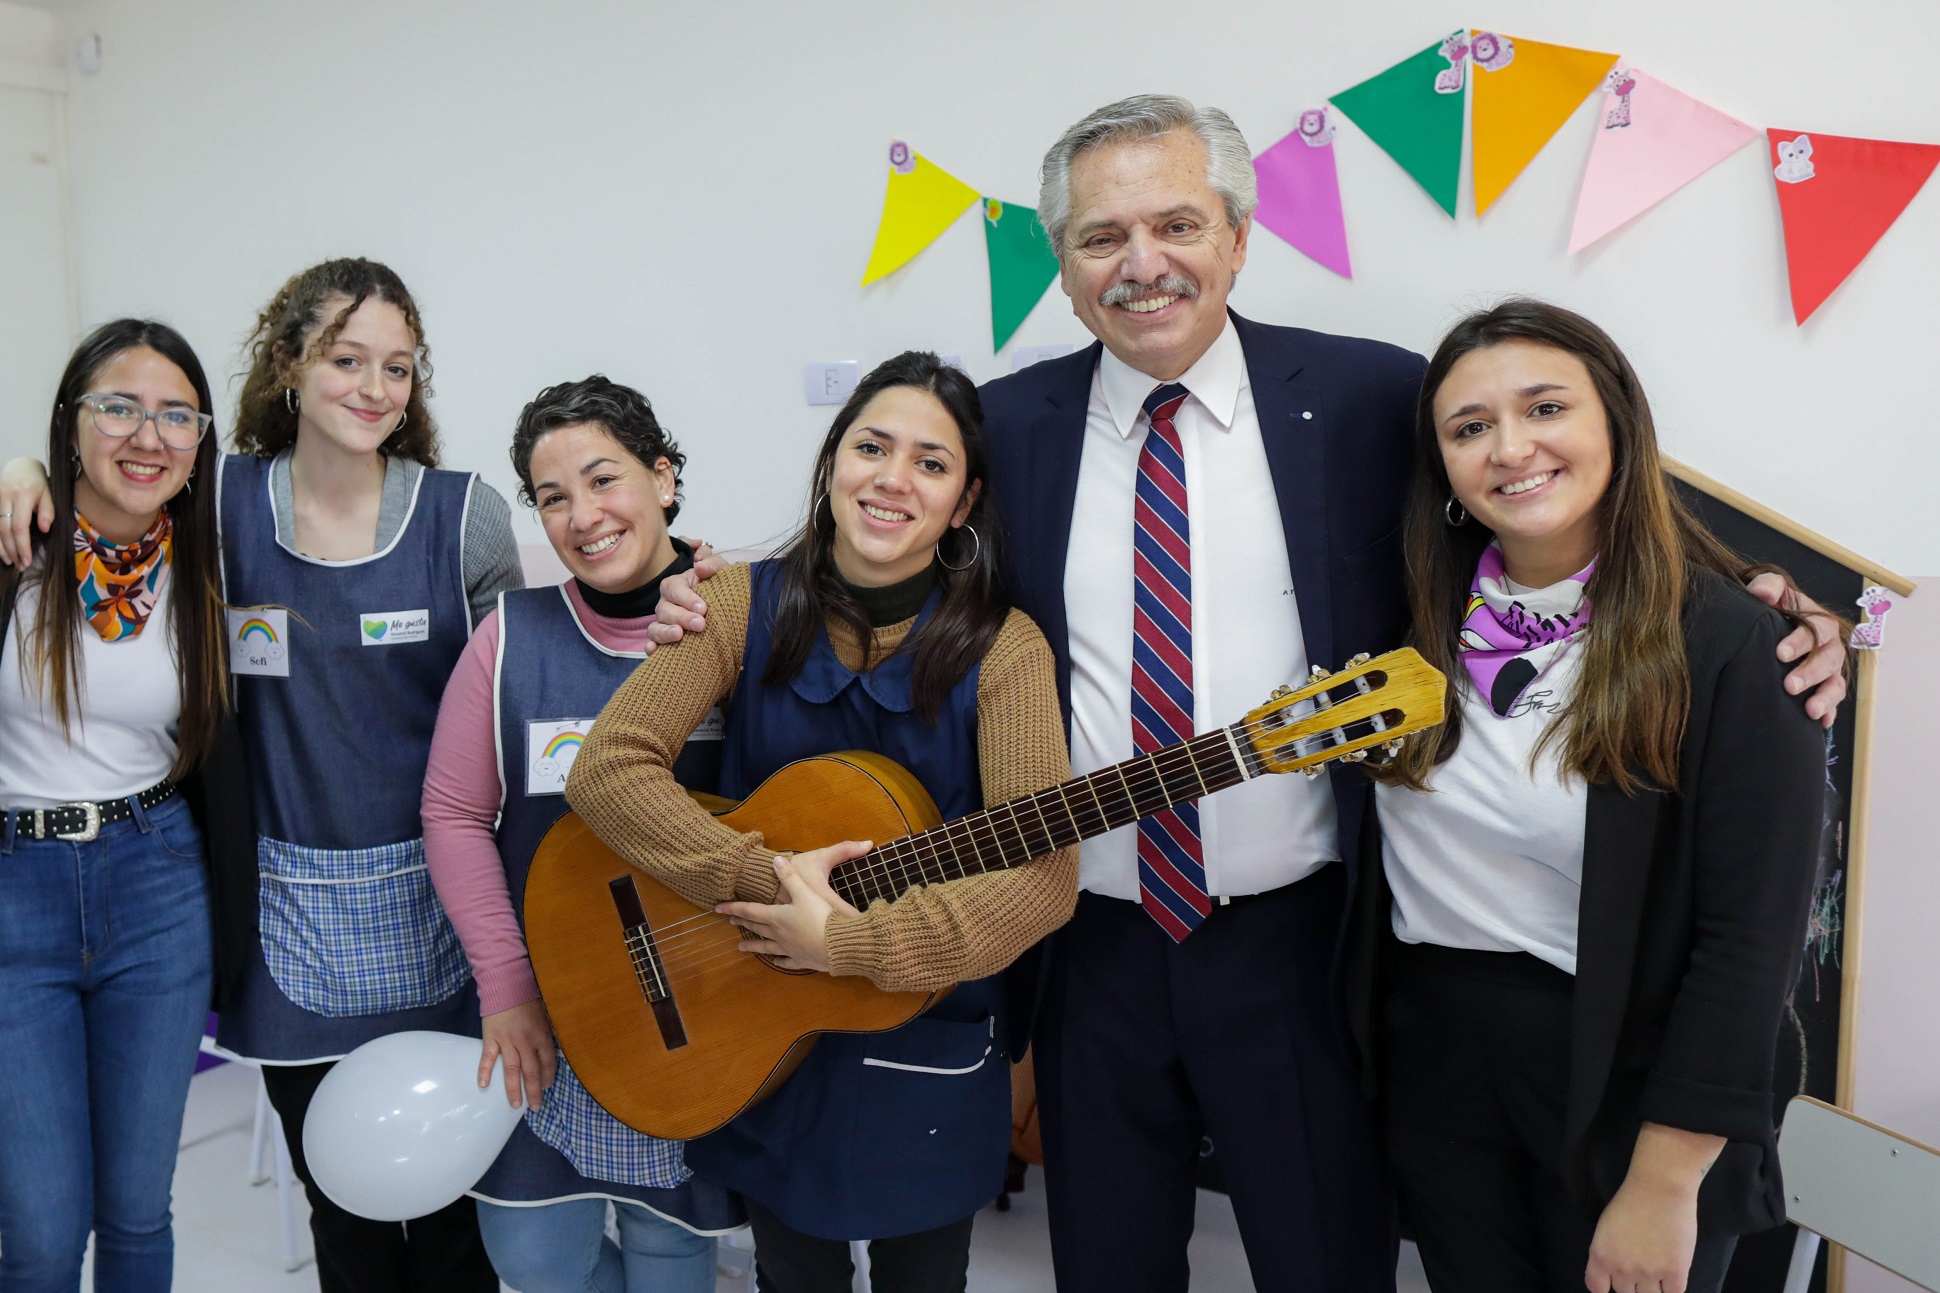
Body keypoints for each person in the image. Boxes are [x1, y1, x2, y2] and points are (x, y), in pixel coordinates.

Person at [651, 95, 1850, 1292]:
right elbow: (879, 556)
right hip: (1085, 940)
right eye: (1100, 237)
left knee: (1322, 1260)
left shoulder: (1374, 398)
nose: (1142, 265)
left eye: (1176, 223)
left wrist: (1761, 599)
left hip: (1302, 945)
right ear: (1062, 270)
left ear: (1236, 235)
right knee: (1107, 1264)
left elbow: (1552, 494)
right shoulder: (1004, 432)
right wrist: (697, 591)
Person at [1, 258, 526, 1290]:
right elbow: (103, 492)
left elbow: (531, 669)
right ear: (287, 365)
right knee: (341, 1214)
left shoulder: (463, 519)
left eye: (398, 368)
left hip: (441, 912)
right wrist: (24, 465)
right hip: (286, 922)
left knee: (457, 1226)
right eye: (345, 359)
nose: (374, 388)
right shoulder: (222, 508)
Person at [567, 351, 1078, 1293]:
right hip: (756, 1007)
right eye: (871, 446)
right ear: (831, 463)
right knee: (791, 1274)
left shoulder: (1007, 648)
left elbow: (1041, 879)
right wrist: (768, 886)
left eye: (931, 462)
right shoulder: (732, 603)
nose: (892, 477)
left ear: (964, 503)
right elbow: (608, 767)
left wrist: (852, 941)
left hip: (928, 1027)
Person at [1364, 300, 1827, 1293]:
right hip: (1439, 1063)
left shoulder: (1732, 645)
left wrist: (1663, 1183)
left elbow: (1749, 947)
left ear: (1614, 421)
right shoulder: (1411, 629)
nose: (1508, 448)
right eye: (1468, 427)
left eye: (1542, 408)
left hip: (1625, 1089)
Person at [421, 375, 741, 1293]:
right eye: (552, 497)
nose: (583, 515)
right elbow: (451, 814)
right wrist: (506, 984)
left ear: (664, 478)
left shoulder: (738, 619)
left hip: (703, 1012)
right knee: (533, 1253)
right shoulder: (511, 636)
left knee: (673, 1245)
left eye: (604, 480)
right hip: (550, 1011)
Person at [0, 320, 227, 1289]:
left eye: (176, 414)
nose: (149, 436)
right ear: (71, 420)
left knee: (137, 1212)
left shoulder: (212, 562)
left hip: (156, 883)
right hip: (16, 890)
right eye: (119, 407)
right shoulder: (16, 545)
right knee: (43, 1234)